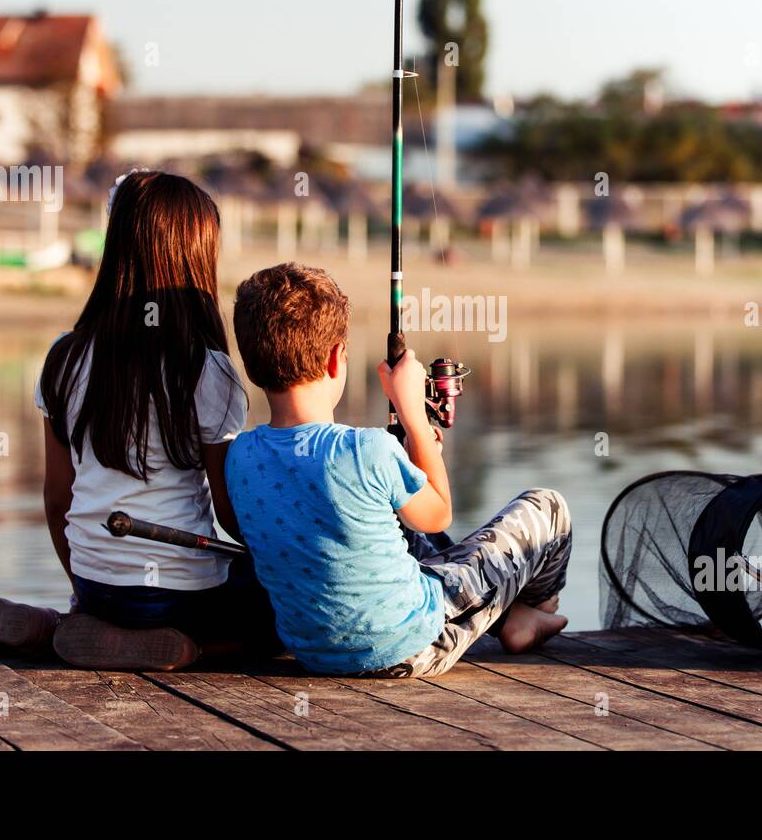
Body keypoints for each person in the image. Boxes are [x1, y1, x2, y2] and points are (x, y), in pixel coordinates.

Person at [0, 170, 278, 670]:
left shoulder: (63, 358)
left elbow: (57, 499)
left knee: (111, 607)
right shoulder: (206, 371)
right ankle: (190, 648)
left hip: (96, 586)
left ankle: (66, 625)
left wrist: (85, 588)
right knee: (286, 613)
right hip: (182, 595)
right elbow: (228, 515)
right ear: (193, 260)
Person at [226, 262, 570, 678]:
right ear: (338, 359)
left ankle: (512, 615)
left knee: (402, 532)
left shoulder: (241, 454)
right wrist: (415, 418)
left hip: (311, 651)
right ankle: (526, 615)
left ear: (251, 365)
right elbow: (439, 513)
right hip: (411, 646)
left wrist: (408, 452)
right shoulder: (367, 448)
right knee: (548, 507)